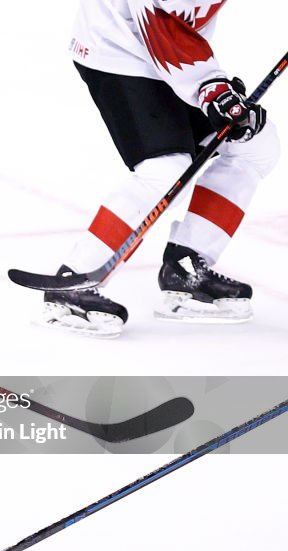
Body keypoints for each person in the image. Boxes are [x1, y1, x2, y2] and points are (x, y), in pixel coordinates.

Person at [39, 0, 279, 337]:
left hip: (168, 52)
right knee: (166, 170)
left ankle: (186, 268)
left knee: (253, 144)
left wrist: (212, 89)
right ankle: (72, 282)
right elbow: (159, 24)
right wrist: (212, 89)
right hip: (117, 47)